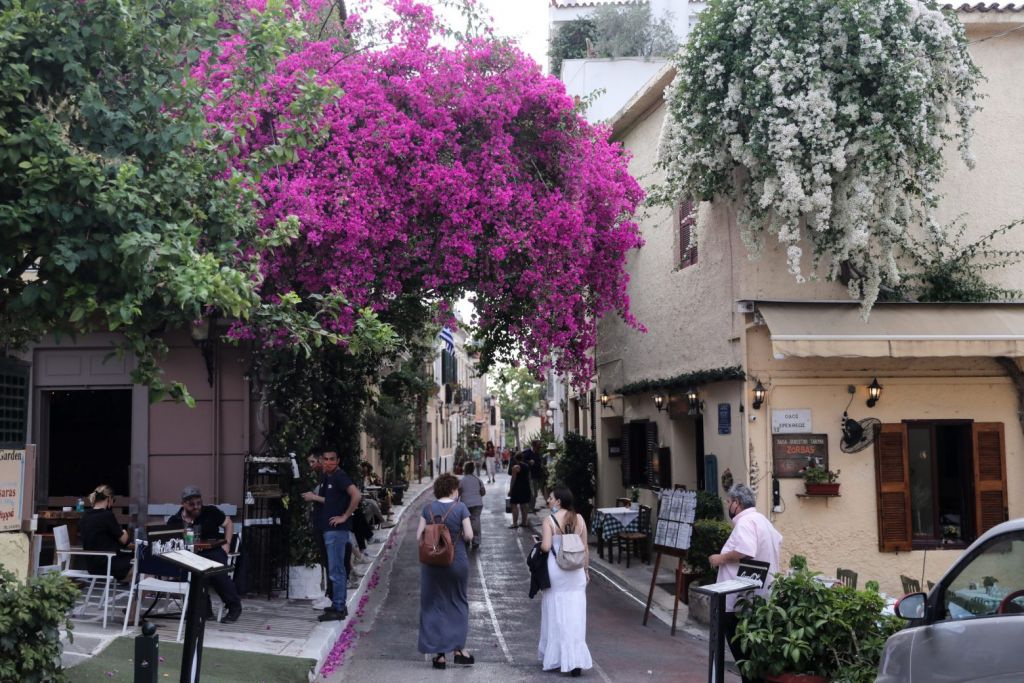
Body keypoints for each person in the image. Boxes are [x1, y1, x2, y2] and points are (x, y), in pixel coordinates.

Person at [709, 484, 783, 683]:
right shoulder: (762, 520)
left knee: (745, 660)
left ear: (737, 503)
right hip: (760, 598)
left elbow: (745, 550)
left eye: (729, 502)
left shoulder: (745, 522)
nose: (728, 506)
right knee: (753, 658)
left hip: (739, 601)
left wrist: (720, 558)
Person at [417, 473, 474, 670]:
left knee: (433, 604)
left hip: (432, 564)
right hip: (456, 561)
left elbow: (418, 536)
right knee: (458, 602)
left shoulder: (428, 509)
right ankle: (458, 650)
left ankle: (439, 655)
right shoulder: (461, 508)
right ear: (453, 489)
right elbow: (469, 535)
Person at [301, 450, 361, 622]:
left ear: (338, 460)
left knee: (336, 570)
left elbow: (356, 495)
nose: (328, 462)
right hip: (329, 530)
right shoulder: (328, 477)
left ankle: (339, 608)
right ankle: (337, 604)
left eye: (331, 459)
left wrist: (345, 516)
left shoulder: (340, 476)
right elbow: (331, 501)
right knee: (335, 569)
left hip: (336, 531)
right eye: (325, 459)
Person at [168, 485, 243, 623]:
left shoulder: (210, 512)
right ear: (183, 503)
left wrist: (227, 543)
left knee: (218, 572)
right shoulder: (175, 520)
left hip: (212, 550)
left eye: (199, 503)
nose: (196, 507)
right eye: (191, 504)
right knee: (189, 572)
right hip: (189, 555)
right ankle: (204, 609)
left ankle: (234, 607)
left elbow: (228, 523)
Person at [538, 485, 592, 677]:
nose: (548, 501)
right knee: (575, 613)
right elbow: (585, 548)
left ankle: (557, 657)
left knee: (555, 612)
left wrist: (538, 543)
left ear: (559, 501)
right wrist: (586, 569)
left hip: (557, 571)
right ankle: (575, 658)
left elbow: (546, 547)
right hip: (576, 572)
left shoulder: (549, 520)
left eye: (551, 498)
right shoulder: (580, 519)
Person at [78, 484, 132, 581]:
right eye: (113, 500)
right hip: (108, 564)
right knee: (142, 564)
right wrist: (124, 532)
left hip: (92, 566)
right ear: (109, 498)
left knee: (133, 563)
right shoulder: (107, 516)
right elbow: (124, 540)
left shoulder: (85, 516)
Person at [305, 453, 332, 607]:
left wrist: (313, 497)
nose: (311, 465)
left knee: (330, 561)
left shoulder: (330, 478)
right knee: (325, 560)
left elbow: (333, 500)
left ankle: (331, 597)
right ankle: (327, 594)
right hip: (319, 523)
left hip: (326, 525)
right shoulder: (320, 478)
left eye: (313, 461)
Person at [458, 461, 486, 550]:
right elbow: (483, 492)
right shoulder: (478, 480)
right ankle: (476, 541)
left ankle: (467, 539)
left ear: (465, 469)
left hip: (465, 504)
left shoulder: (462, 480)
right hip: (477, 504)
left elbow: (458, 493)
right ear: (473, 469)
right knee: (476, 521)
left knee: (465, 522)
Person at [507, 452, 532, 529]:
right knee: (524, 505)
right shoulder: (527, 466)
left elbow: (513, 479)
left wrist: (510, 490)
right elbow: (529, 478)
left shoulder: (516, 467)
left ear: (515, 458)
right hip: (526, 487)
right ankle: (524, 522)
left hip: (517, 488)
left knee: (514, 505)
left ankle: (515, 523)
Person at [523, 440, 544, 511]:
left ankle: (532, 507)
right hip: (530, 475)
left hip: (536, 475)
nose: (539, 448)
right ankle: (529, 508)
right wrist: (529, 462)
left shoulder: (537, 453)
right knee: (532, 493)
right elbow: (522, 461)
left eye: (540, 447)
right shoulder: (527, 452)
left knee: (535, 493)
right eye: (538, 447)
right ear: (534, 446)